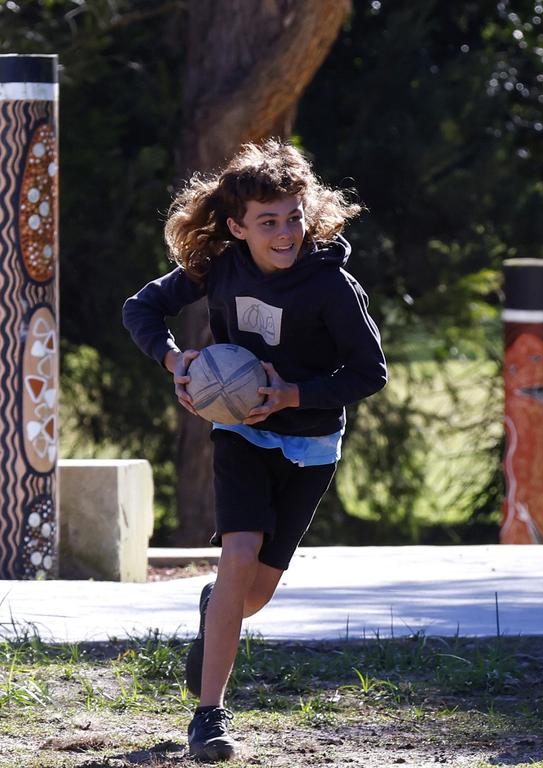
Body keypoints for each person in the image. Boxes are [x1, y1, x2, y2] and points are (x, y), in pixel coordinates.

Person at [123, 139, 387, 762]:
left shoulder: (331, 287)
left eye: (294, 216)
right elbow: (143, 308)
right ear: (237, 227)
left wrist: (292, 393)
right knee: (237, 552)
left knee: (251, 595)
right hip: (238, 432)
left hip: (311, 443)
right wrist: (176, 360)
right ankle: (208, 718)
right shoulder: (220, 267)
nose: (285, 231)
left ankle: (217, 608)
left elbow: (369, 372)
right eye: (268, 221)